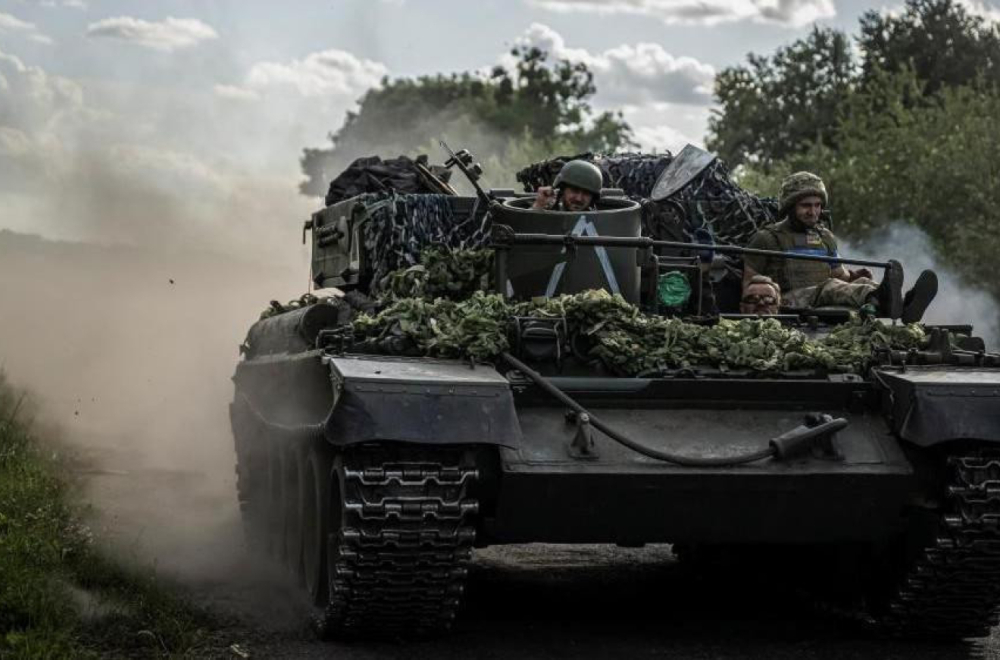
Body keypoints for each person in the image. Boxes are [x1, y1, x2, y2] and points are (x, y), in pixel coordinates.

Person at [743, 172, 937, 323]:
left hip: (821, 295)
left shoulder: (824, 237)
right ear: (789, 206)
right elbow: (749, 288)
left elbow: (840, 276)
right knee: (830, 287)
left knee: (862, 282)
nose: (813, 212)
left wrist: (854, 276)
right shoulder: (766, 239)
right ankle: (882, 297)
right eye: (806, 206)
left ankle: (903, 304)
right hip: (786, 301)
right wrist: (766, 303)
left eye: (818, 205)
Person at [532, 160, 603, 212]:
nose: (579, 199)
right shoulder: (549, 214)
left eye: (586, 193)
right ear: (563, 190)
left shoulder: (600, 221)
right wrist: (539, 206)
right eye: (574, 190)